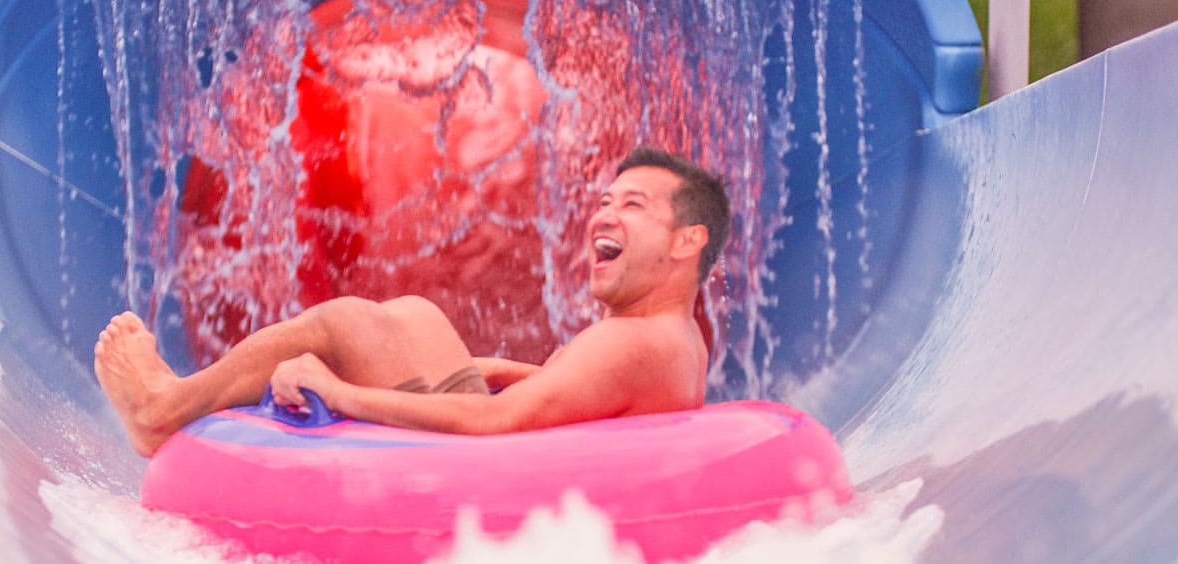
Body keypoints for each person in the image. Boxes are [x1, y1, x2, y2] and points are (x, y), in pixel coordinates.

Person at [93, 147, 731, 457]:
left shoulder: (634, 340)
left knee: (346, 324)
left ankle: (162, 411)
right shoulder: (672, 336)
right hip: (518, 464)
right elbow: (609, 411)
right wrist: (529, 374)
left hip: (486, 479)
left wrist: (338, 392)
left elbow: (496, 425)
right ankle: (182, 401)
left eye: (632, 206)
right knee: (417, 314)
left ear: (687, 241)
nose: (603, 216)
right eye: (605, 202)